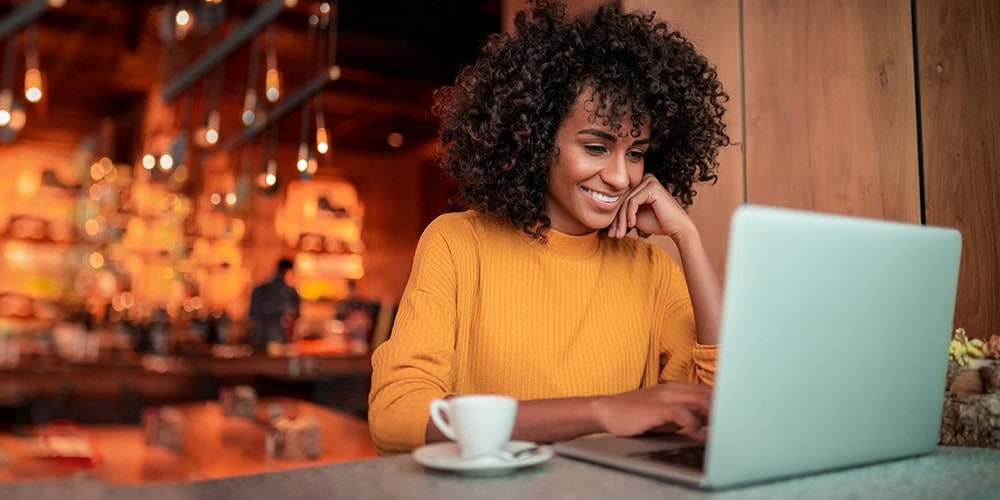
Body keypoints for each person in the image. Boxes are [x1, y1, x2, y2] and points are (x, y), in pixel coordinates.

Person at [368, 0, 730, 455]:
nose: (622, 177)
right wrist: (599, 411)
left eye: (635, 153)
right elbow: (396, 416)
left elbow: (719, 408)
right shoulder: (458, 244)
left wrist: (688, 239)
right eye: (596, 147)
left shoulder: (653, 269)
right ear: (537, 140)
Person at [248, 258, 301, 351]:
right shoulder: (290, 292)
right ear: (287, 271)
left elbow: (251, 313)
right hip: (279, 340)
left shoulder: (260, 288)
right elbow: (296, 315)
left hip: (259, 338)